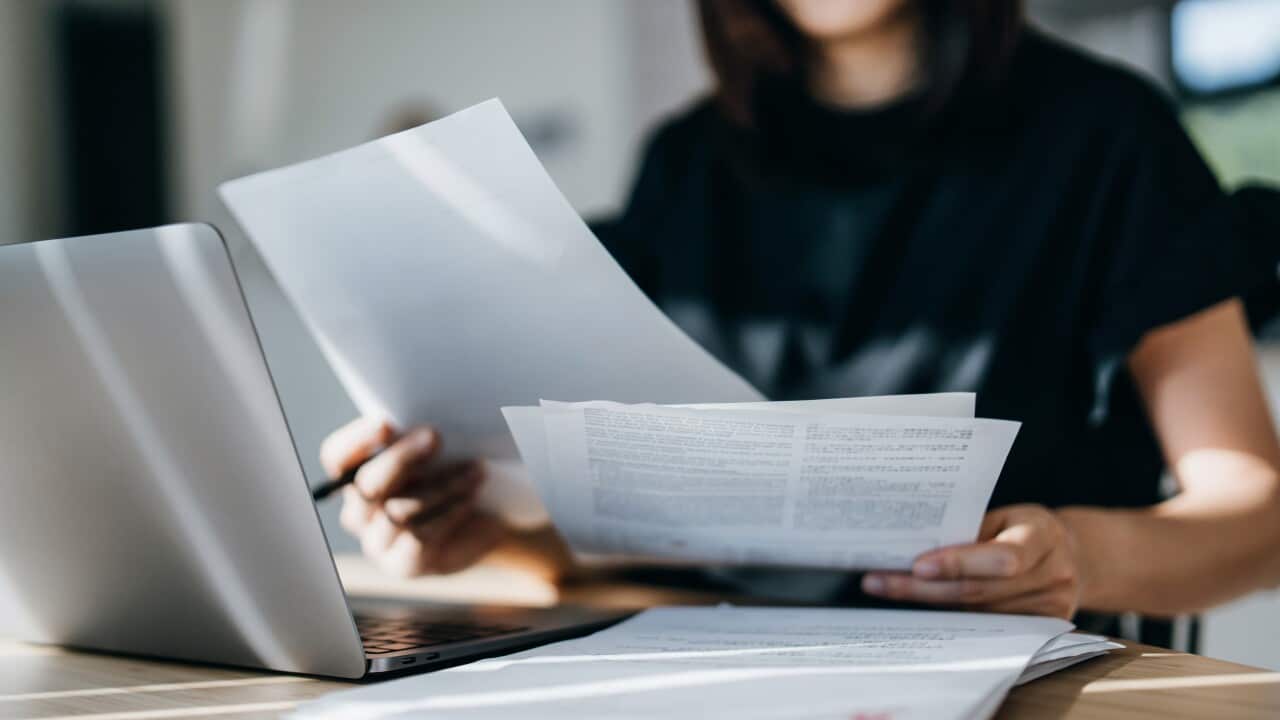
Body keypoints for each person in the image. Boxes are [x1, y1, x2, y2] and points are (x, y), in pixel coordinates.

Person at [320, 0, 1280, 637]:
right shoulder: (685, 165)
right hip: (710, 673)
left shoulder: (1110, 138)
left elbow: (1258, 517)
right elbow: (658, 531)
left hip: (1004, 685)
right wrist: (479, 533)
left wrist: (1078, 555)